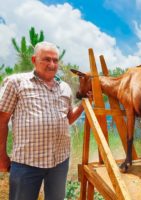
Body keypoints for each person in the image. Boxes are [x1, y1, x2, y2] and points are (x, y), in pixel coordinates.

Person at [0, 41, 87, 200]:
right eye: (46, 59)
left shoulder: (65, 88)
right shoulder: (16, 82)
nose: (52, 64)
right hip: (27, 162)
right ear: (34, 60)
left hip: (59, 160)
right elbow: (2, 120)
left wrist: (85, 104)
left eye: (55, 60)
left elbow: (68, 119)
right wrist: (1, 155)